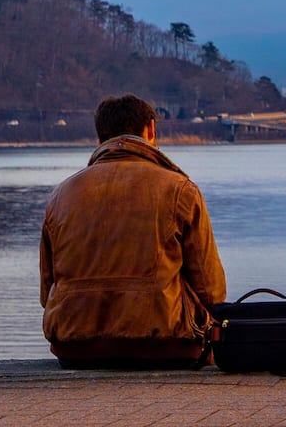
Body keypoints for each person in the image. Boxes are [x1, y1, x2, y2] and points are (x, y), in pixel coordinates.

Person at [39, 94, 226, 369]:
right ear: (151, 128)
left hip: (76, 347)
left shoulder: (61, 195)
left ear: (99, 136)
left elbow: (47, 291)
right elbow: (212, 291)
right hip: (166, 345)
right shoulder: (180, 190)